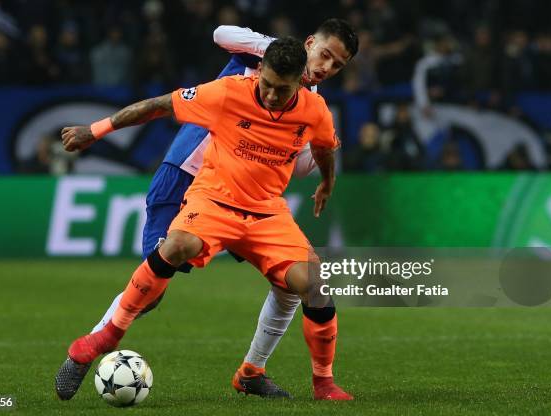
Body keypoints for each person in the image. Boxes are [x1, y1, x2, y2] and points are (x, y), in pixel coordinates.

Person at [57, 19, 358, 400]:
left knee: (295, 287)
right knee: (161, 275)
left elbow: (311, 155)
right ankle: (96, 343)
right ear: (308, 44)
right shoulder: (240, 80)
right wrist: (96, 131)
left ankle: (254, 372)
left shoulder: (314, 107)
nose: (327, 67)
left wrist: (324, 175)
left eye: (337, 65)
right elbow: (214, 40)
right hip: (191, 180)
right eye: (325, 55)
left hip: (259, 205)